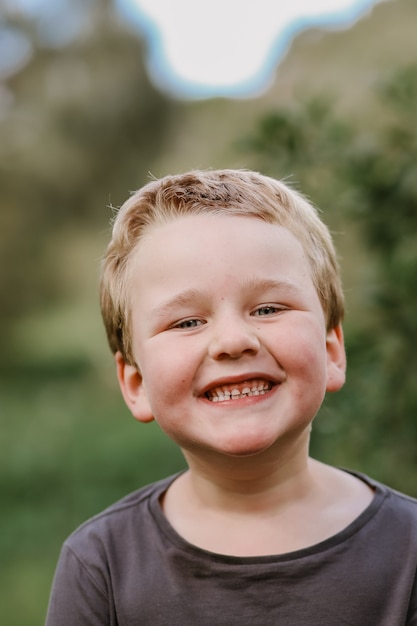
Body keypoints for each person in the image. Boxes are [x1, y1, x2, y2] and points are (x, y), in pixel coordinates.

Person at [46, 169, 417, 625]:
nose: (233, 340)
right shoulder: (99, 566)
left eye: (268, 309)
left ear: (330, 351)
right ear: (136, 384)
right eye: (186, 322)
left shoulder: (409, 551)